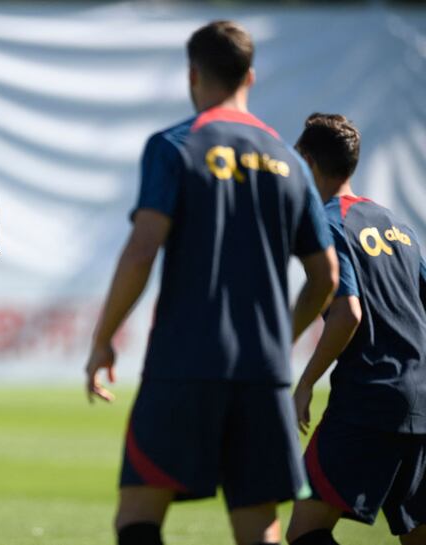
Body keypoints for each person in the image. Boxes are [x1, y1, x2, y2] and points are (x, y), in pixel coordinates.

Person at [85, 20, 338, 545]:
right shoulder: (290, 162)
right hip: (262, 374)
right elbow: (326, 277)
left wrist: (103, 336)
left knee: (138, 515)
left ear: (192, 74)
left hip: (184, 363)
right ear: (251, 75)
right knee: (258, 525)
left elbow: (141, 250)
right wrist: (281, 340)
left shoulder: (177, 144)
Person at [286, 113, 426, 545]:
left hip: (369, 400)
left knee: (305, 531)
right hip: (421, 398)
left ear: (307, 161)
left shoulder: (326, 222)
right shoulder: (397, 226)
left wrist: (306, 381)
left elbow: (347, 313)